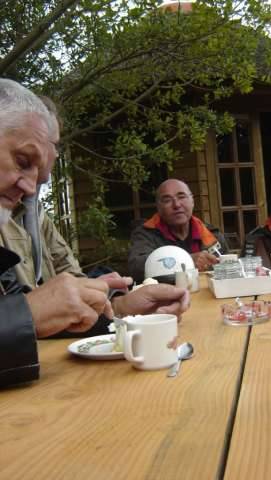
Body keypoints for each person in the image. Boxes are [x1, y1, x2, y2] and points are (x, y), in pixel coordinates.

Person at [0, 79, 189, 388]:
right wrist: (30, 313)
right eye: (23, 161)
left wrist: (122, 308)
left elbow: (46, 300)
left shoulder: (24, 211)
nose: (31, 186)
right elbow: (30, 311)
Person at [128, 179, 229, 283]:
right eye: (167, 200)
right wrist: (186, 261)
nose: (176, 205)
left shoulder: (212, 234)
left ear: (192, 201)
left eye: (181, 197)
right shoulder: (145, 234)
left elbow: (229, 272)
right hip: (165, 297)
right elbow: (136, 268)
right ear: (158, 207)